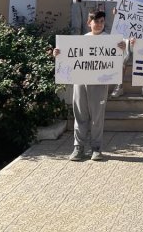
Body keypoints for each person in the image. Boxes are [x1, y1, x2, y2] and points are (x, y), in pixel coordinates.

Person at [53, 10, 126, 161]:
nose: (99, 24)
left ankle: (96, 148)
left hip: (99, 84)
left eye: (102, 21)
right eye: (96, 21)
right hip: (80, 81)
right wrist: (58, 54)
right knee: (80, 114)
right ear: (89, 23)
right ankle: (78, 148)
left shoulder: (110, 40)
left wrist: (123, 49)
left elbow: (120, 60)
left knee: (97, 117)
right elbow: (67, 57)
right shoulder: (81, 40)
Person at [111, 0, 143, 98]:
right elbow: (121, 16)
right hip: (127, 35)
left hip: (142, 35)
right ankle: (119, 86)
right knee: (124, 60)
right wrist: (116, 13)